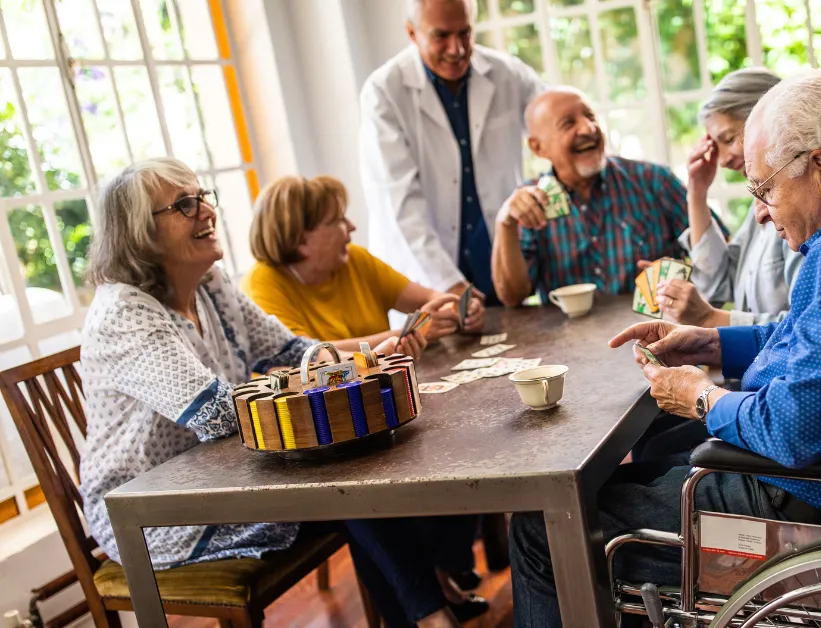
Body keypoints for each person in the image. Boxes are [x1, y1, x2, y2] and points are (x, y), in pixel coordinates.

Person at [508, 73, 821, 627]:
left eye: (764, 189)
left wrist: (702, 397)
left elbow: (796, 431)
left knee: (541, 528)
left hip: (813, 501)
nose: (759, 212)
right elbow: (817, 336)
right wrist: (709, 342)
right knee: (654, 457)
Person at [79, 158, 478, 628]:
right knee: (347, 486)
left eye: (202, 196)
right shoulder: (123, 315)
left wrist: (359, 359)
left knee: (362, 481)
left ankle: (425, 618)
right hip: (157, 512)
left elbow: (290, 351)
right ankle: (431, 617)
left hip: (228, 476)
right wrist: (328, 374)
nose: (207, 211)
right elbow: (217, 416)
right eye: (185, 205)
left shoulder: (210, 283)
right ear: (138, 233)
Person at [359, 0, 543, 305]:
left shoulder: (508, 73)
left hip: (494, 258)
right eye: (441, 36)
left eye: (465, 33)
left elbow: (553, 124)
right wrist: (450, 285)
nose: (456, 49)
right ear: (412, 33)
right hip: (425, 268)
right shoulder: (384, 91)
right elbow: (401, 204)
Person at [491, 87, 696, 307]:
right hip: (568, 339)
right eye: (568, 123)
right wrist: (505, 223)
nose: (588, 128)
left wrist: (685, 279)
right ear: (538, 147)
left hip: (655, 333)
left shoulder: (655, 180)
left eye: (590, 116)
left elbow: (719, 258)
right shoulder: (530, 203)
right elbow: (512, 297)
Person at [242, 175, 484, 353]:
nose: (351, 227)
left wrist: (458, 310)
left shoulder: (353, 259)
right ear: (301, 240)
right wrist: (409, 333)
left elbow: (429, 298)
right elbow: (309, 356)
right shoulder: (261, 284)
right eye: (338, 220)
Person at [661, 67, 804, 327]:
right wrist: (697, 191)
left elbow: (803, 327)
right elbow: (719, 282)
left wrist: (710, 318)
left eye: (727, 139)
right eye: (715, 146)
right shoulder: (760, 201)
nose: (723, 160)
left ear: (768, 120)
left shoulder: (804, 206)